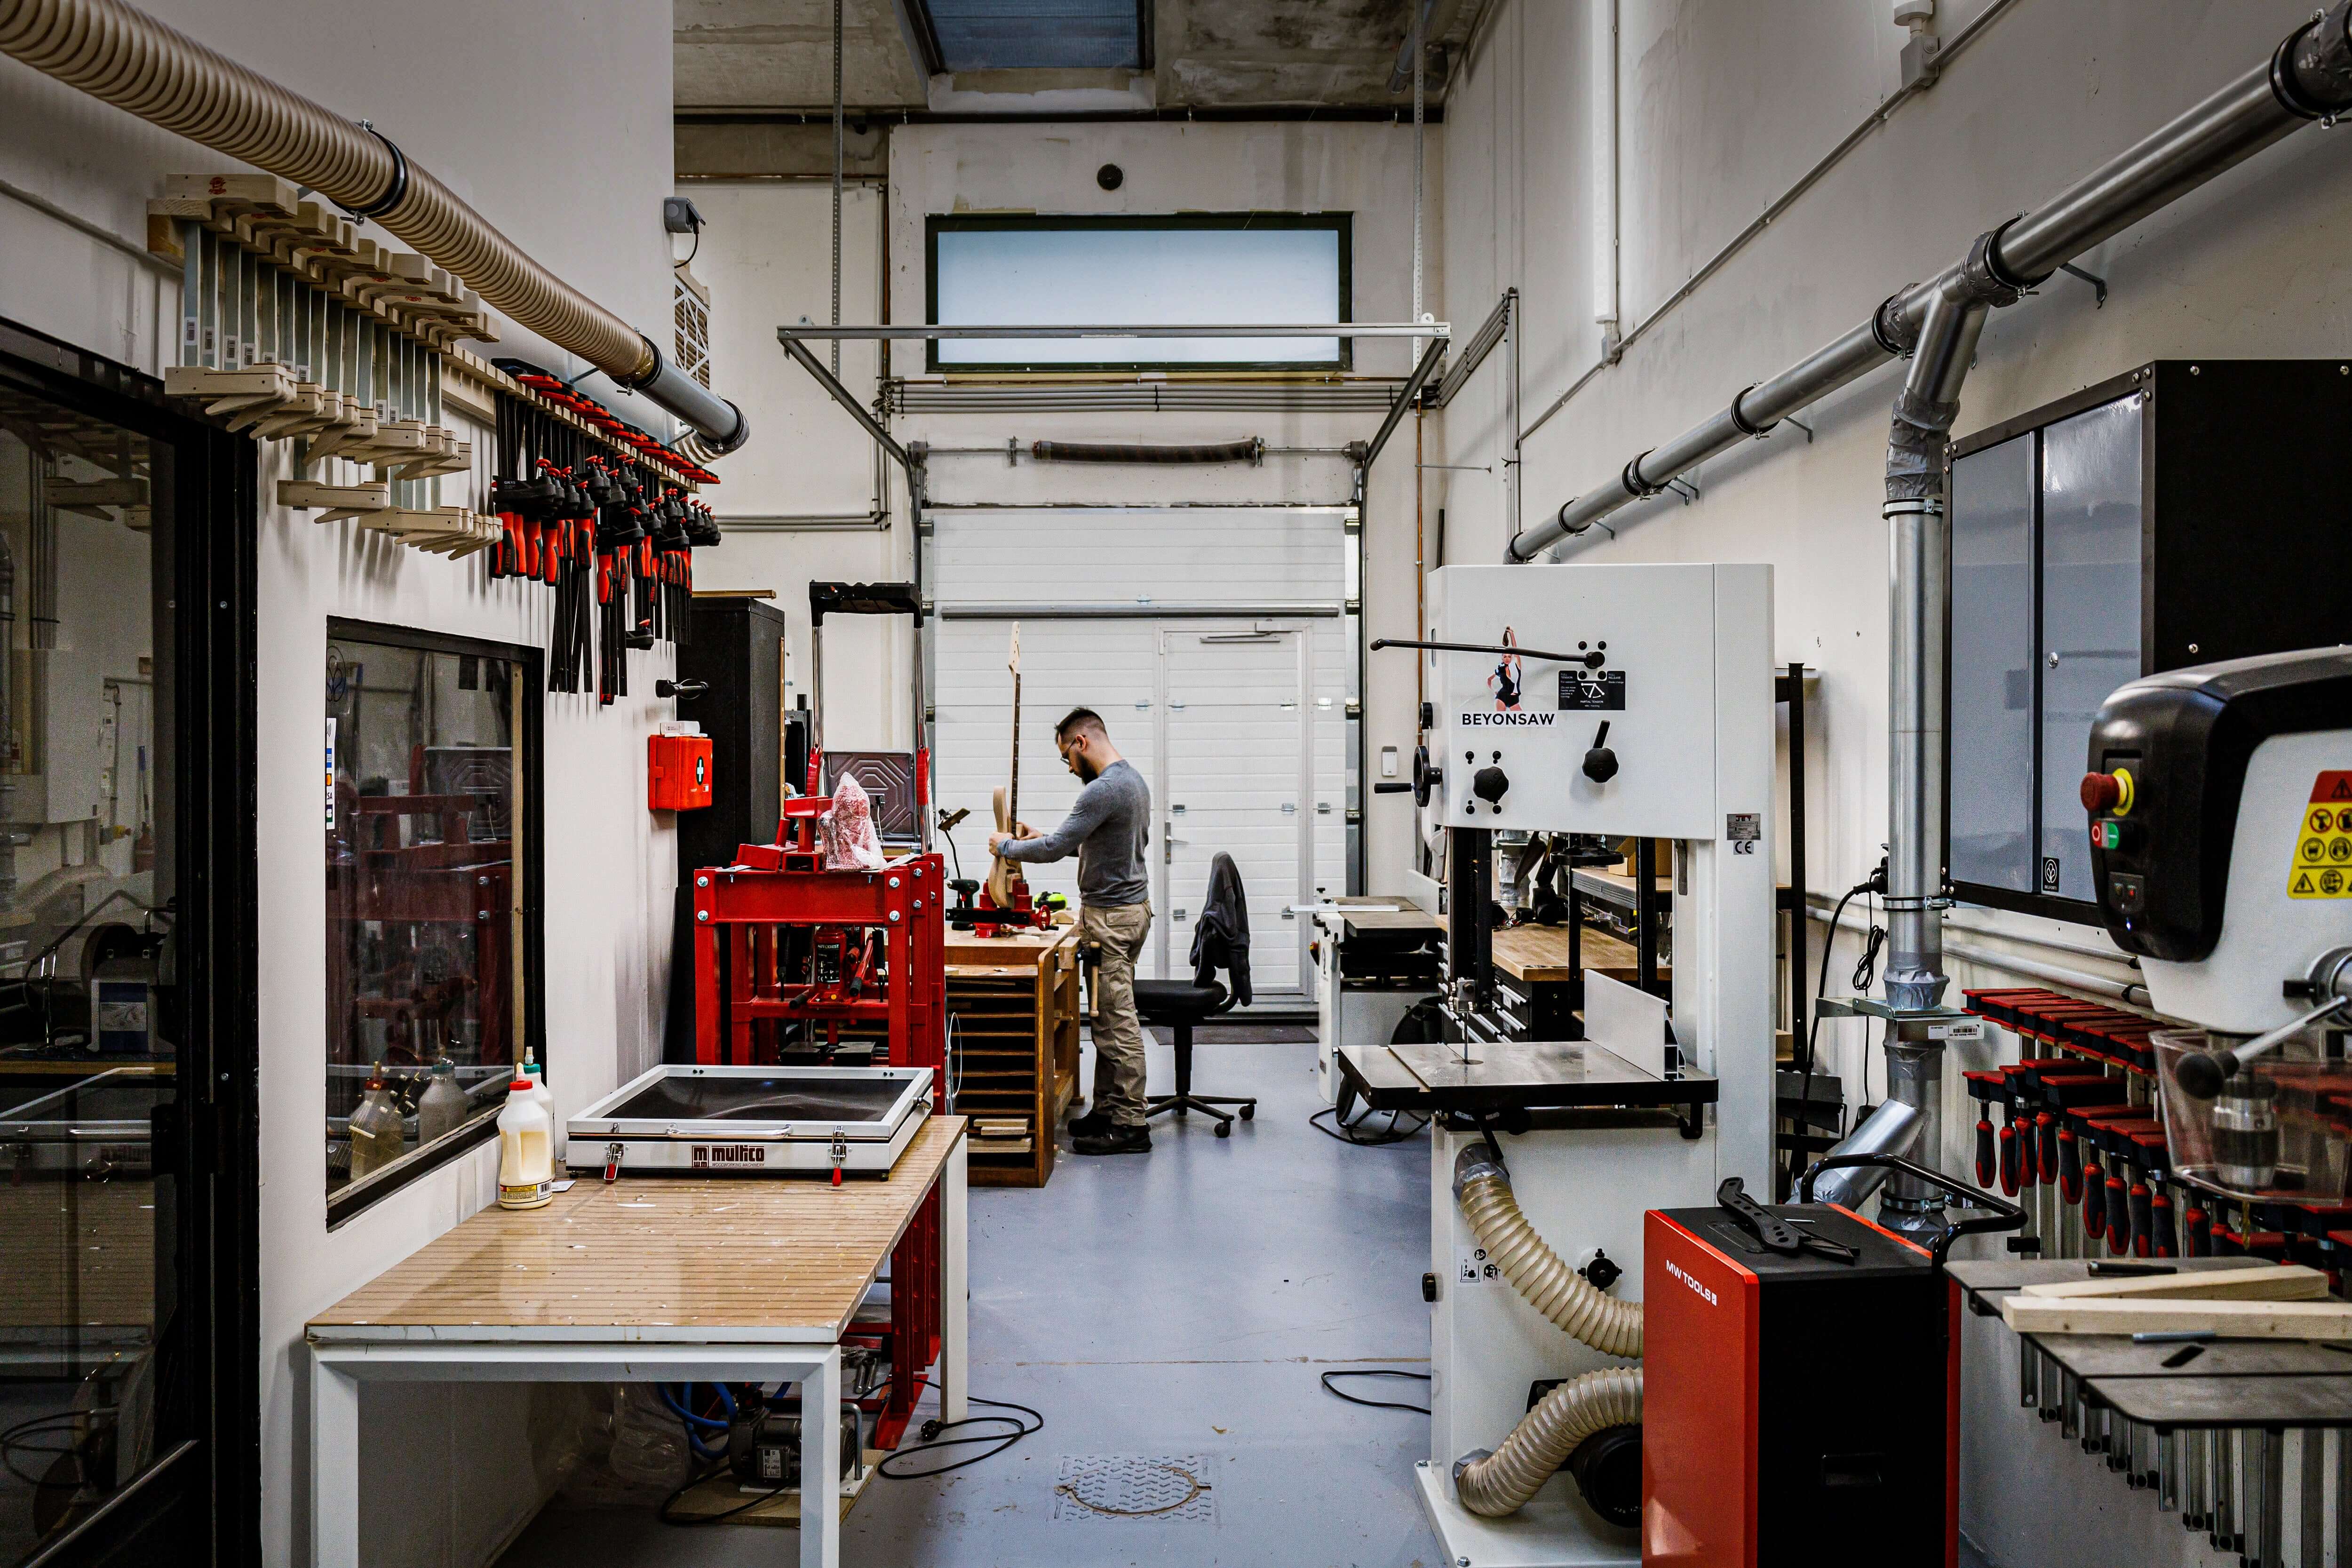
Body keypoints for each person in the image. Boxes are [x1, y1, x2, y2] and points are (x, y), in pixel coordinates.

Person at [989, 708, 1153, 1155]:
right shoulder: (1133, 781)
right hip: (1130, 912)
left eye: (1067, 756)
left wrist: (1006, 846)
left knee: (1116, 1022)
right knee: (1104, 1016)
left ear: (1081, 741)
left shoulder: (1102, 790)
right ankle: (1107, 1109)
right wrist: (1042, 837)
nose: (1068, 767)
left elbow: (1057, 847)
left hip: (1112, 918)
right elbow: (1088, 845)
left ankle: (1131, 1124)